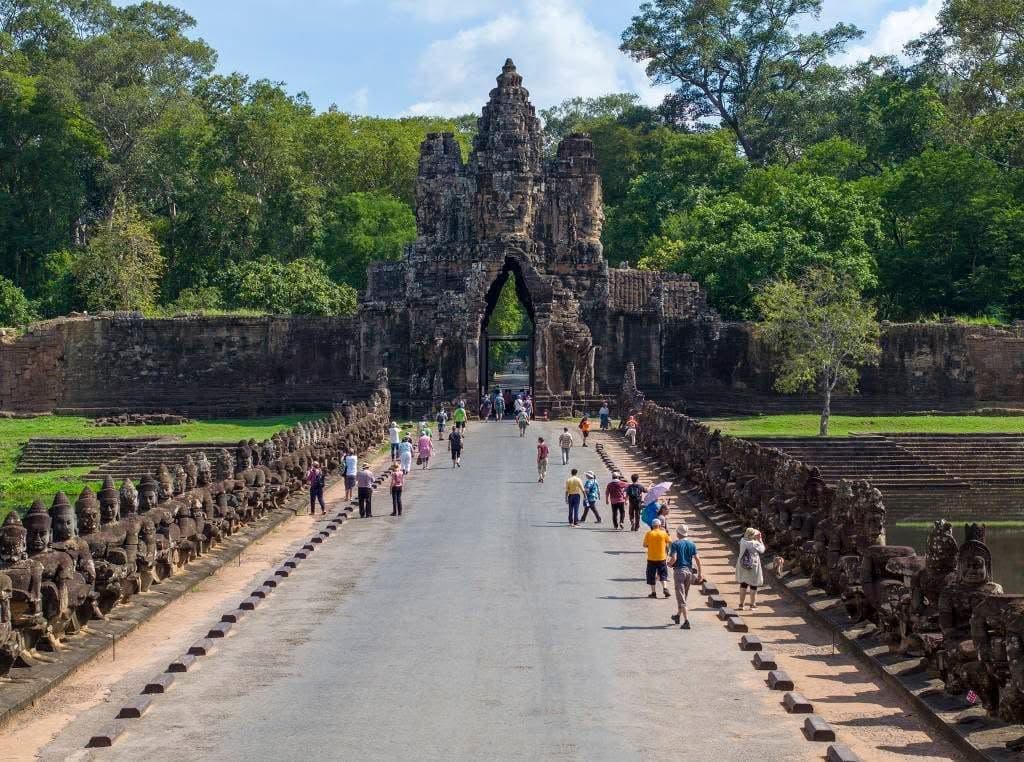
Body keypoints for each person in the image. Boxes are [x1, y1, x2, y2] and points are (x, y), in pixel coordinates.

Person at [668, 525, 702, 629]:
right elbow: (697, 559)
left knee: (680, 596)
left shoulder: (675, 544)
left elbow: (674, 558)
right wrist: (700, 573)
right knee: (684, 595)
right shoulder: (692, 544)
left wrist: (669, 564)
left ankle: (686, 621)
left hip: (679, 571)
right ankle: (677, 616)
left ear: (678, 533)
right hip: (689, 572)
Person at [737, 527, 766, 611]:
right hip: (753, 566)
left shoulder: (742, 541)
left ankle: (741, 605)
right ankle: (752, 605)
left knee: (743, 584)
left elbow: (747, 536)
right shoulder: (755, 543)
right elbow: (762, 550)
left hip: (742, 565)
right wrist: (760, 540)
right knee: (753, 585)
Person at [643, 518, 672, 598]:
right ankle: (665, 588)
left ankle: (653, 592)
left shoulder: (649, 533)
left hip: (651, 558)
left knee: (651, 575)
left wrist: (650, 545)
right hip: (662, 558)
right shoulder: (663, 533)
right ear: (659, 525)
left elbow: (644, 545)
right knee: (663, 574)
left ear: (652, 526)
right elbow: (670, 541)